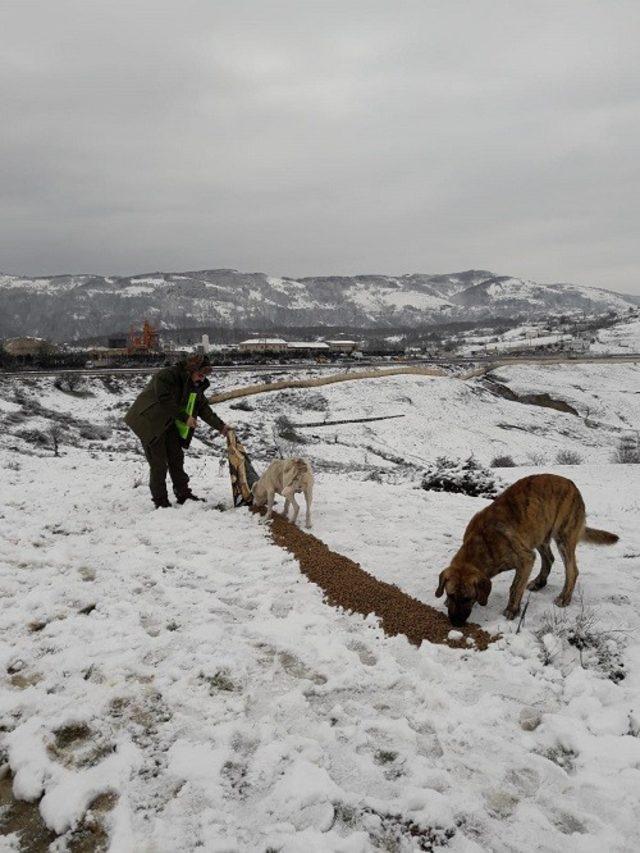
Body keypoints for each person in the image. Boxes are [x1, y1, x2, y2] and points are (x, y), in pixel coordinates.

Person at [125, 354, 229, 508]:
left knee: (176, 457)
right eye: (200, 375)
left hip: (169, 421)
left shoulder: (195, 385)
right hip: (149, 421)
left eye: (204, 376)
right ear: (191, 370)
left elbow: (202, 408)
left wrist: (221, 426)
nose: (202, 379)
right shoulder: (167, 376)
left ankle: (183, 494)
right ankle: (160, 501)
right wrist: (185, 417)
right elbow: (164, 400)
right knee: (159, 463)